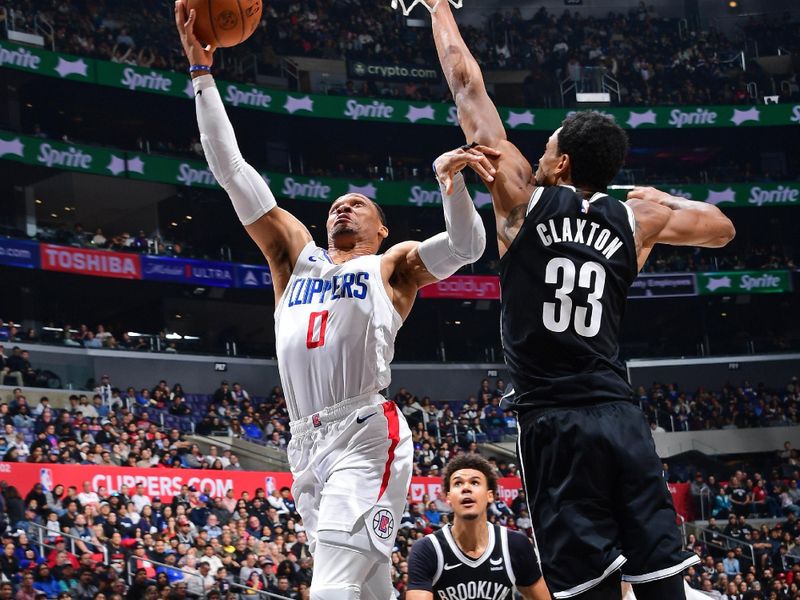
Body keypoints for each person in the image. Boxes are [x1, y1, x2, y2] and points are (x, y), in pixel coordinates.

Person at [175, 3, 491, 598]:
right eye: (336, 204)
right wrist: (201, 73)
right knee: (367, 586)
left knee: (332, 588)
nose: (343, 207)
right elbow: (231, 169)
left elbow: (469, 246)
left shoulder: (392, 266)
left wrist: (452, 187)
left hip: (365, 431)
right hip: (304, 442)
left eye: (359, 203)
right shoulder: (295, 256)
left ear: (382, 229)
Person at [421, 1, 735, 598]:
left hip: (553, 421)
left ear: (560, 162)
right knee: (660, 578)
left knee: (585, 586)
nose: (536, 153)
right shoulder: (638, 218)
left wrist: (440, 8)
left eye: (545, 147)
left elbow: (465, 83)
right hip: (621, 417)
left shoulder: (521, 198)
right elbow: (722, 227)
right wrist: (669, 199)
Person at [406, 454, 549, 600]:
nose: (466, 488)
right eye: (458, 483)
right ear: (448, 497)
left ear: (490, 495)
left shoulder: (515, 545)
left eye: (474, 482)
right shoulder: (427, 549)